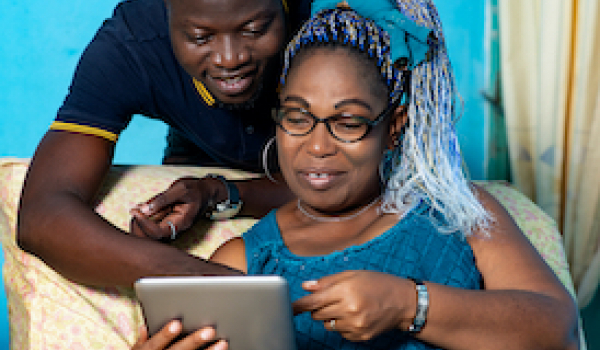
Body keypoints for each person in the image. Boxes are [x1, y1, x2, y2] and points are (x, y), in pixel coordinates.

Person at [199, 2, 578, 350]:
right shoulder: (247, 262)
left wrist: (408, 304)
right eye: (297, 117)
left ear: (394, 126)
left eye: (347, 122)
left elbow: (559, 331)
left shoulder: (456, 213)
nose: (316, 146)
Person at [17, 0, 311, 288]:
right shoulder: (133, 44)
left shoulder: (332, 25)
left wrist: (220, 195)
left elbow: (352, 190)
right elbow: (41, 215)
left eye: (254, 29)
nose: (230, 58)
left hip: (318, 177)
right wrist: (204, 281)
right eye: (200, 36)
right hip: (202, 159)